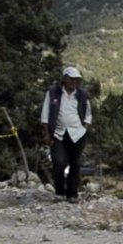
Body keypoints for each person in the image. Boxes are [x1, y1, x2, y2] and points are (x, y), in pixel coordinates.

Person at [40, 66, 93, 202]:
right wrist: (46, 134)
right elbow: (45, 114)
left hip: (77, 133)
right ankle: (60, 191)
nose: (73, 82)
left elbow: (88, 114)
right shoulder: (53, 93)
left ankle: (72, 193)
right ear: (64, 79)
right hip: (58, 134)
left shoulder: (82, 95)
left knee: (75, 164)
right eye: (71, 79)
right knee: (59, 163)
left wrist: (85, 126)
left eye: (76, 79)